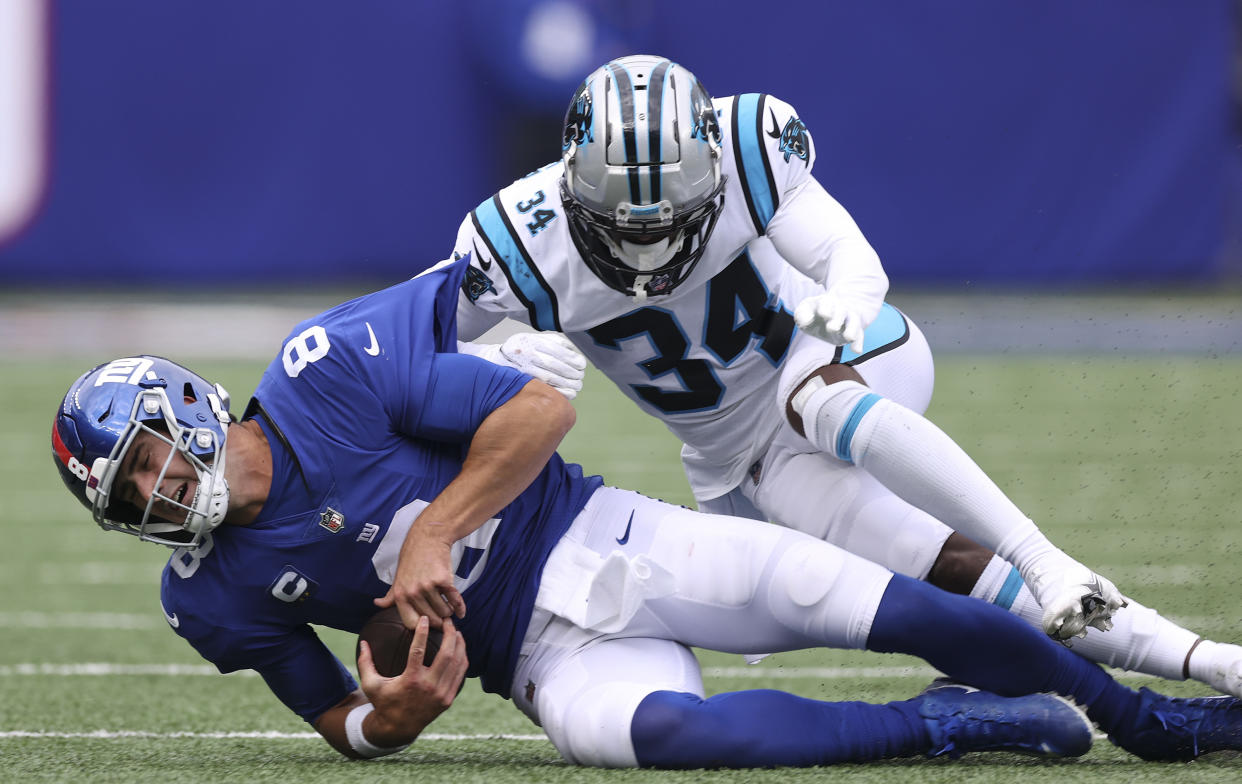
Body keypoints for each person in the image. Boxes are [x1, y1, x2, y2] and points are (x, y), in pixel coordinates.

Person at [50, 257, 1242, 767]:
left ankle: (1152, 720)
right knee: (682, 739)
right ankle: (954, 727)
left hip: (596, 535)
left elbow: (535, 413)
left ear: (190, 408)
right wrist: (393, 716)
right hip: (535, 660)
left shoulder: (327, 372)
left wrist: (430, 528)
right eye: (134, 496)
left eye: (152, 459)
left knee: (881, 602)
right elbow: (334, 721)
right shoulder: (206, 592)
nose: (160, 492)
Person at [446, 54, 1242, 696]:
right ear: (571, 176)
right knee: (945, 568)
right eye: (625, 207)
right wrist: (500, 357)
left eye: (674, 201)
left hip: (859, 361)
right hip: (749, 460)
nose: (650, 234)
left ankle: (1046, 558)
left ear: (712, 159)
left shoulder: (752, 143)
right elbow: (412, 346)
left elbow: (855, 272)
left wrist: (816, 339)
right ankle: (1205, 660)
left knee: (815, 401)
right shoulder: (519, 236)